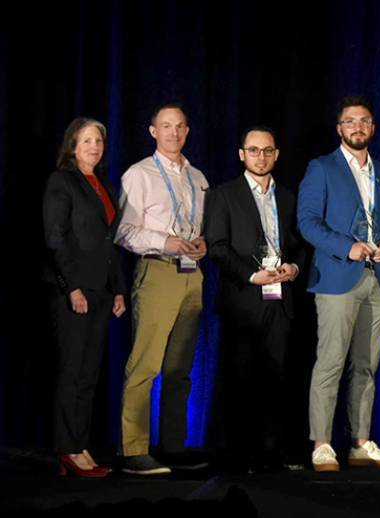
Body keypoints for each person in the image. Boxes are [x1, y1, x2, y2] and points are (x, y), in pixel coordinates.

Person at [297, 95, 380, 472]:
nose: (357, 127)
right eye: (350, 121)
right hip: (338, 278)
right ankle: (322, 445)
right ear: (339, 128)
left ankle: (360, 442)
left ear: (372, 128)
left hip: (379, 280)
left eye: (364, 121)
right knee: (330, 363)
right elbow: (307, 222)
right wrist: (348, 247)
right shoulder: (321, 168)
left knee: (367, 367)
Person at [204, 125, 305, 473]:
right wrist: (251, 274)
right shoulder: (223, 195)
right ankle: (237, 456)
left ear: (276, 155)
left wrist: (293, 267)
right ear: (241, 154)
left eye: (267, 150)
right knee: (241, 378)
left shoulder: (290, 197)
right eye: (253, 150)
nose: (260, 156)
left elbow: (300, 244)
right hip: (242, 298)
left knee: (276, 378)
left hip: (281, 297)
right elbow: (216, 247)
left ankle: (270, 455)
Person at [115, 103, 209, 475]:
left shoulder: (198, 176)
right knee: (145, 364)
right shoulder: (139, 174)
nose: (173, 133)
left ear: (187, 131)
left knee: (179, 368)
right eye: (165, 126)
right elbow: (123, 230)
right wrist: (164, 242)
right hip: (156, 272)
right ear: (153, 131)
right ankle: (133, 449)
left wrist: (202, 243)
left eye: (180, 126)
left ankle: (173, 446)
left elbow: (197, 226)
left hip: (192, 274)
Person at [43, 117, 127, 477]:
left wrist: (119, 289)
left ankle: (79, 446)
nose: (94, 146)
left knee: (90, 374)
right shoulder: (61, 181)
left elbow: (109, 243)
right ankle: (67, 449)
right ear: (72, 146)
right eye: (87, 140)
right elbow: (56, 238)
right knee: (73, 371)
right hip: (73, 291)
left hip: (102, 291)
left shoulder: (102, 184)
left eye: (99, 141)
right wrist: (72, 287)